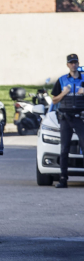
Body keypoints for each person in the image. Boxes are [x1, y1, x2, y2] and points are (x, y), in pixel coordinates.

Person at [51, 54, 84, 188]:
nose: (73, 65)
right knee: (64, 149)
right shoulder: (62, 80)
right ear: (67, 65)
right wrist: (64, 93)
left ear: (78, 63)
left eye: (75, 62)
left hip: (80, 118)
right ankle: (63, 179)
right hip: (65, 118)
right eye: (71, 63)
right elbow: (54, 100)